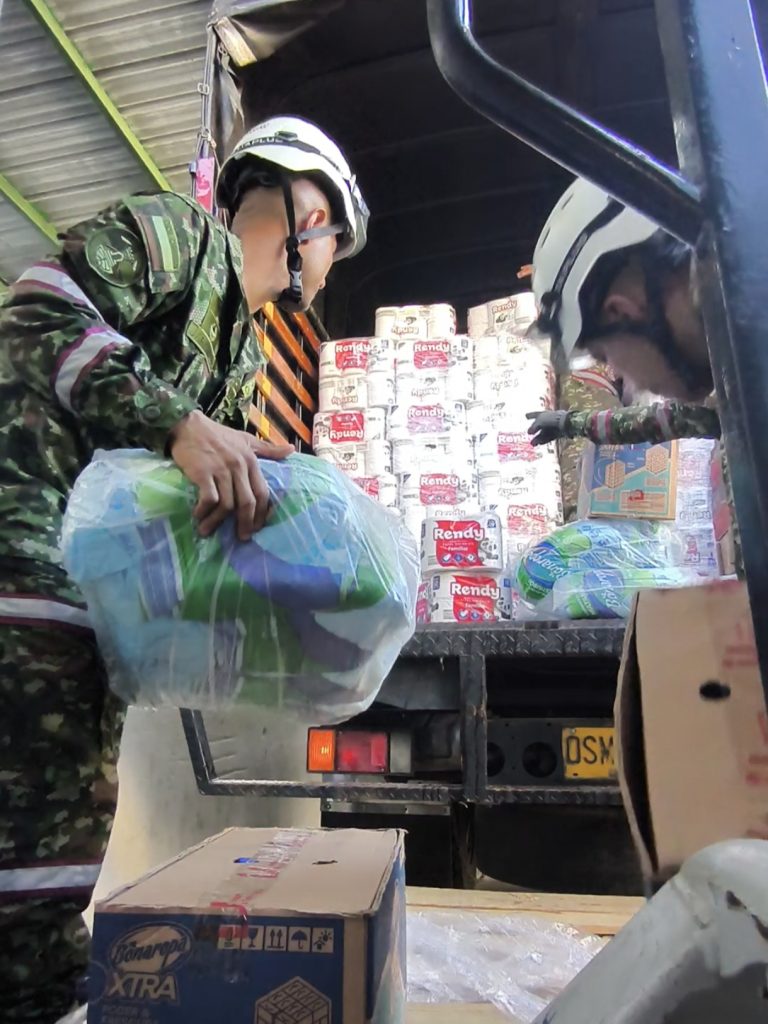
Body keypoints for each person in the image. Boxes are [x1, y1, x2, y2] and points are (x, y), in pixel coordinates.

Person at [0, 115, 368, 1023]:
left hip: (84, 606)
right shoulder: (181, 237)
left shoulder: (243, 355)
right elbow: (38, 306)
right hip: (22, 549)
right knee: (29, 869)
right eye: (336, 244)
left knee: (54, 854)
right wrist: (178, 423)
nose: (329, 270)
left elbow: (187, 492)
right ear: (307, 216)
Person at [524, 176, 732, 553]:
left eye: (605, 356)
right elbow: (660, 421)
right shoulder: (734, 386)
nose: (618, 374)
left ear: (621, 311)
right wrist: (571, 423)